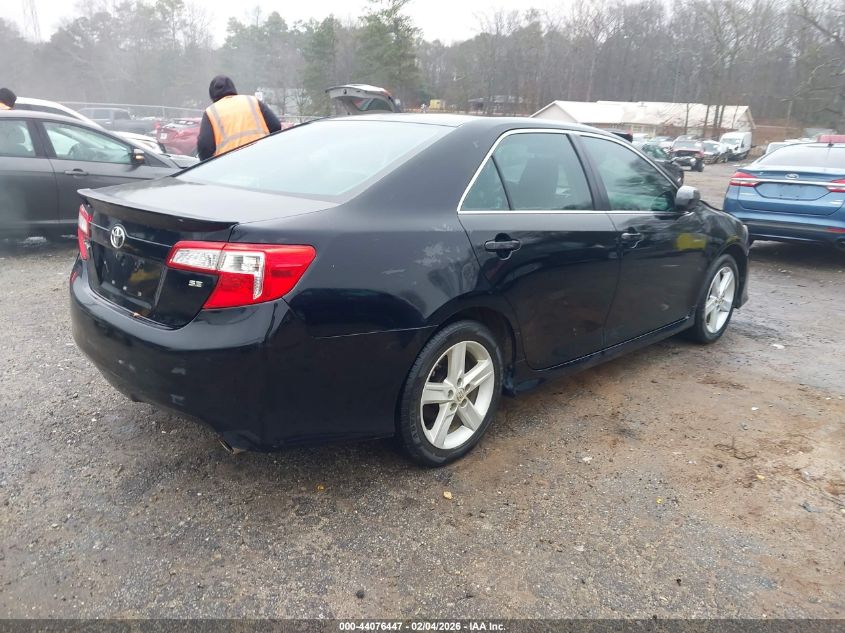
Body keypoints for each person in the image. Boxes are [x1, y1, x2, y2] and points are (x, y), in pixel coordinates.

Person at [196, 75, 280, 161]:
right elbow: (276, 126)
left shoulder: (211, 112)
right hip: (262, 156)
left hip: (231, 163)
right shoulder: (252, 101)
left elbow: (205, 146)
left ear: (212, 95)